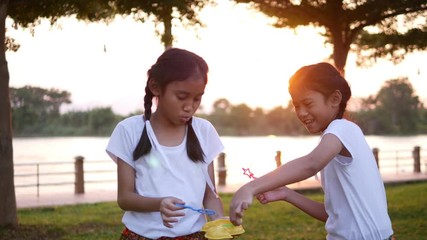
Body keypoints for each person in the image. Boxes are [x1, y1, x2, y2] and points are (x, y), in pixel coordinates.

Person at [229, 62, 394, 240]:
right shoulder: (333, 142)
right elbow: (335, 217)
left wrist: (250, 188)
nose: (301, 112)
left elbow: (311, 163)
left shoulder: (344, 128)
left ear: (334, 99)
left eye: (307, 103)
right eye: (296, 105)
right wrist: (287, 194)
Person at [106, 48, 225, 240]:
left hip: (194, 236)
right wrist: (158, 203)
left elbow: (210, 196)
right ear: (155, 87)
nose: (190, 106)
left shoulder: (204, 131)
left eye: (197, 98)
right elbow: (125, 198)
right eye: (181, 97)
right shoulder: (129, 130)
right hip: (141, 236)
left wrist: (221, 225)